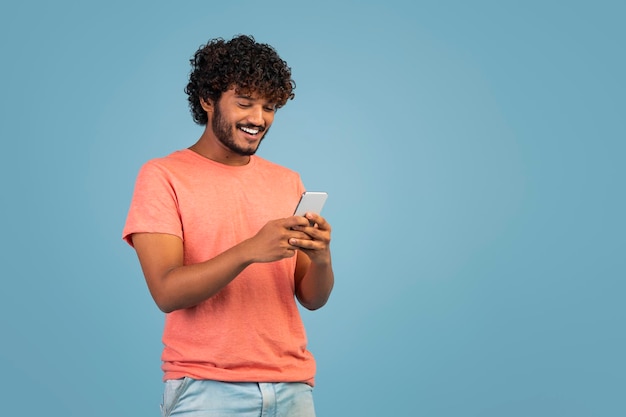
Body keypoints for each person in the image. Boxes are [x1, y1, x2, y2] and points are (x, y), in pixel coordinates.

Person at [122, 35, 334, 416]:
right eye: (244, 103)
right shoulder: (164, 176)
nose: (258, 119)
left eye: (269, 107)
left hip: (292, 388)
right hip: (206, 390)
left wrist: (321, 258)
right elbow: (167, 292)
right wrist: (250, 250)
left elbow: (313, 299)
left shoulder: (287, 181)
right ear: (208, 100)